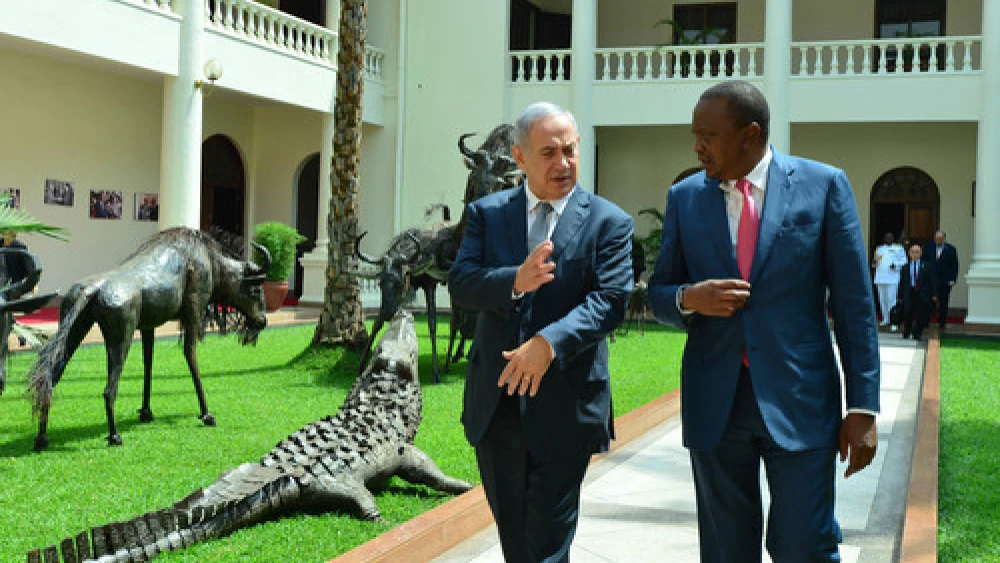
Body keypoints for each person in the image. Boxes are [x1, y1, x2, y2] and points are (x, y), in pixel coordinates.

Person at [647, 80, 880, 562]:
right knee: (726, 550)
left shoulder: (823, 186)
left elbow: (855, 304)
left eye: (707, 135)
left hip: (801, 401)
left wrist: (862, 408)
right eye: (695, 134)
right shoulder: (686, 197)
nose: (698, 147)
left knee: (804, 545)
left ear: (749, 135)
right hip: (717, 404)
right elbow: (658, 293)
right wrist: (691, 298)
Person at [448, 102, 633, 562]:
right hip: (498, 407)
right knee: (516, 542)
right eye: (548, 152)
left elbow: (609, 302)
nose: (563, 163)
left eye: (570, 150)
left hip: (567, 407)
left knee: (548, 543)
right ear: (520, 156)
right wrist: (514, 280)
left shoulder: (608, 222)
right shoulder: (486, 215)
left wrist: (547, 345)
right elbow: (463, 283)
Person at [897, 243, 937, 341]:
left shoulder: (926, 266)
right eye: (913, 252)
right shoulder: (905, 267)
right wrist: (900, 296)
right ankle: (907, 331)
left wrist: (934, 294)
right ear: (909, 253)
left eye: (917, 252)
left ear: (921, 254)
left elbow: (932, 281)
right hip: (909, 292)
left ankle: (917, 333)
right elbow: (902, 282)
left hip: (921, 293)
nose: (915, 254)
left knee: (921, 314)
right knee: (907, 313)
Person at [924, 230, 958, 330]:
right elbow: (924, 262)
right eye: (936, 238)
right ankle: (926, 321)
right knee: (929, 302)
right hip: (930, 281)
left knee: (943, 302)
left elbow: (954, 265)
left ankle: (942, 323)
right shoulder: (928, 247)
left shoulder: (951, 249)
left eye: (940, 238)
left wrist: (952, 279)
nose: (938, 240)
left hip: (944, 281)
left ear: (944, 239)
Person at [872, 232, 907, 330]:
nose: (888, 239)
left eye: (890, 237)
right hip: (880, 278)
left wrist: (895, 265)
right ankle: (885, 318)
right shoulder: (879, 249)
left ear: (893, 239)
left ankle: (894, 321)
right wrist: (874, 263)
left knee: (892, 300)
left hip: (892, 278)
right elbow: (875, 263)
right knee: (882, 299)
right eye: (886, 237)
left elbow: (904, 261)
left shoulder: (899, 248)